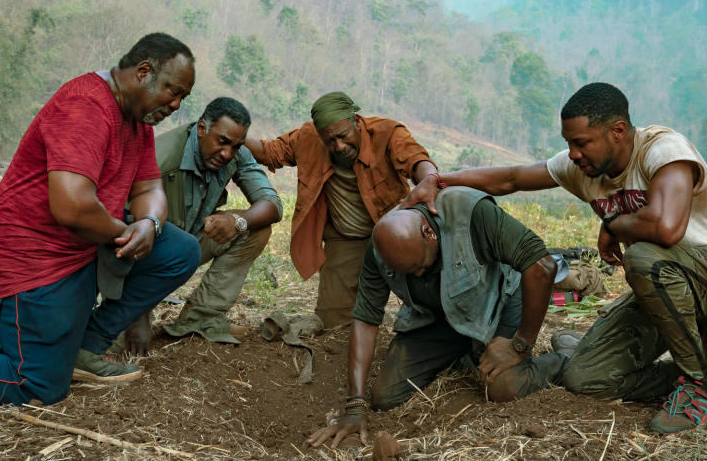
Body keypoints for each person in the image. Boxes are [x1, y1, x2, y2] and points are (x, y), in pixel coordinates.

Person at [401, 82, 707, 434]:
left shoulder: (664, 151)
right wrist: (438, 179)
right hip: (663, 293)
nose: (573, 153)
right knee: (585, 378)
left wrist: (615, 224)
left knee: (645, 260)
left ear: (618, 131)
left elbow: (668, 229)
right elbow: (511, 179)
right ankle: (687, 374)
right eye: (568, 143)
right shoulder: (583, 168)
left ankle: (701, 385)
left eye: (581, 142)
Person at [0, 33, 202, 405]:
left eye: (184, 96)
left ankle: (85, 347)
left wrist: (149, 225)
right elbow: (71, 208)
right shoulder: (86, 105)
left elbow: (149, 188)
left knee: (179, 250)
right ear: (144, 72)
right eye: (173, 91)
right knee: (37, 384)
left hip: (81, 247)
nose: (176, 103)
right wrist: (124, 233)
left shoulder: (138, 122)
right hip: (28, 251)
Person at [305, 186, 557, 448]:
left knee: (503, 387)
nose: (416, 277)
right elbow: (366, 319)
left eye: (420, 267)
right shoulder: (381, 246)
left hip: (498, 303)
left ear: (429, 233)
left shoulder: (470, 213)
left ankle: (562, 360)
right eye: (407, 273)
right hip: (440, 316)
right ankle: (467, 349)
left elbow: (542, 266)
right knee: (385, 396)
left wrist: (519, 344)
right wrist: (355, 406)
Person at [245, 92, 438, 327]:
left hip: (394, 234)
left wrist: (429, 179)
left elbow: (415, 159)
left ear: (356, 121)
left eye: (343, 136)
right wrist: (233, 136)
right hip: (346, 239)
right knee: (333, 320)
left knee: (428, 305)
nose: (339, 146)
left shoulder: (387, 133)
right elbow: (269, 152)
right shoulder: (308, 138)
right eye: (330, 141)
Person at [121, 97, 282, 354]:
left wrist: (238, 222)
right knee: (113, 341)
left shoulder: (235, 155)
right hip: (145, 257)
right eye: (222, 142)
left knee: (256, 226)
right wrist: (138, 313)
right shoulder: (160, 158)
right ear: (201, 129)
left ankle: (200, 317)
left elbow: (272, 204)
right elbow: (124, 235)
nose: (227, 153)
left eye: (236, 146)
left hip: (187, 245)